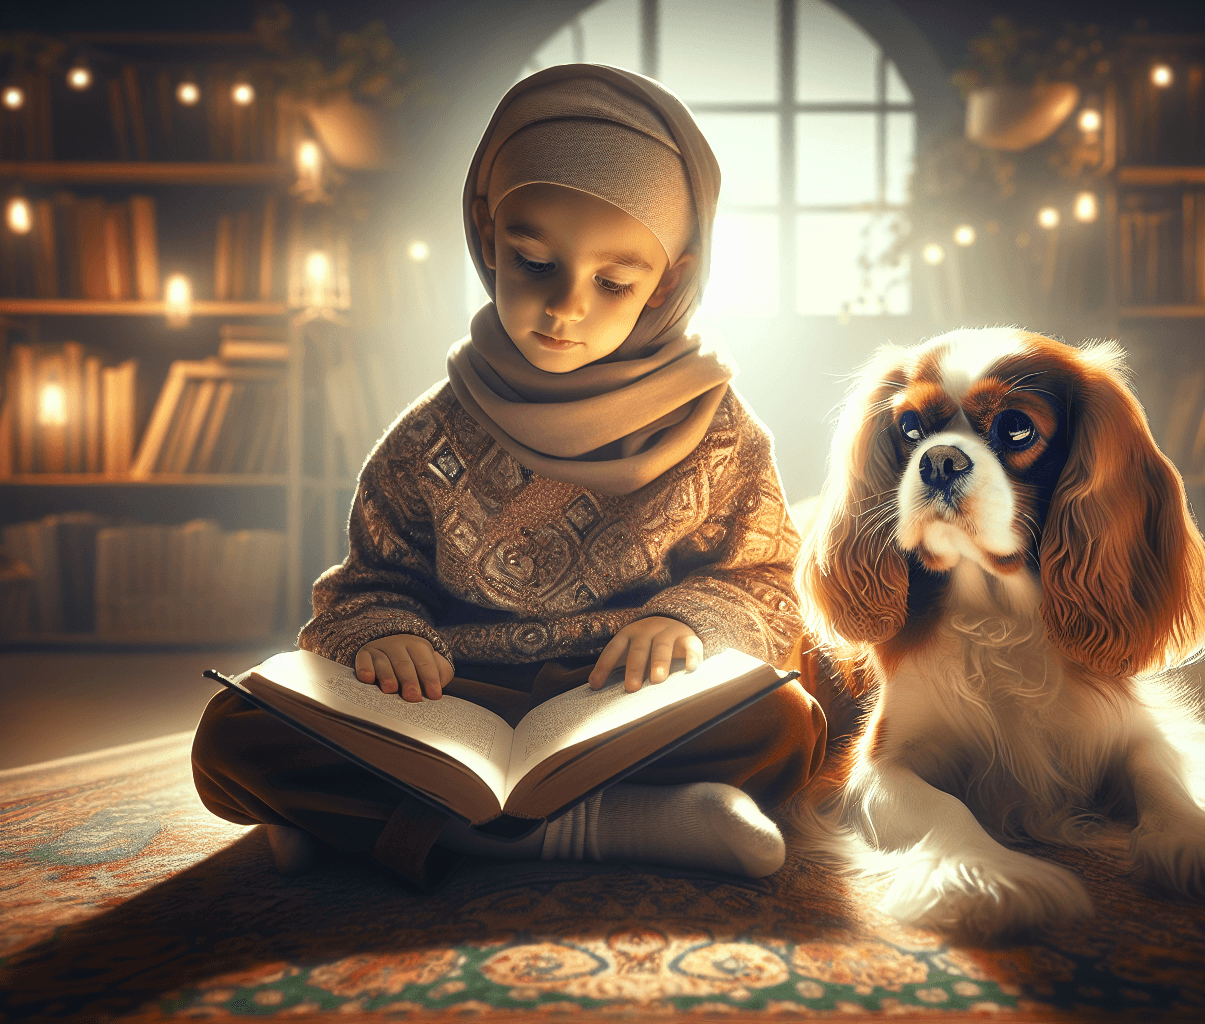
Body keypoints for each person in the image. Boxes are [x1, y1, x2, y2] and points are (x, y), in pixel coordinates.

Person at [192, 64, 825, 888]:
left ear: (669, 279)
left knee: (785, 722)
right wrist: (388, 635)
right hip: (453, 702)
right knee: (235, 735)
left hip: (627, 702)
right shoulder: (426, 436)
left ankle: (372, 828)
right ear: (488, 235)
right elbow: (370, 583)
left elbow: (765, 579)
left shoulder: (720, 432)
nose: (565, 307)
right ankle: (617, 827)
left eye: (613, 282)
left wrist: (689, 621)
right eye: (533, 262)